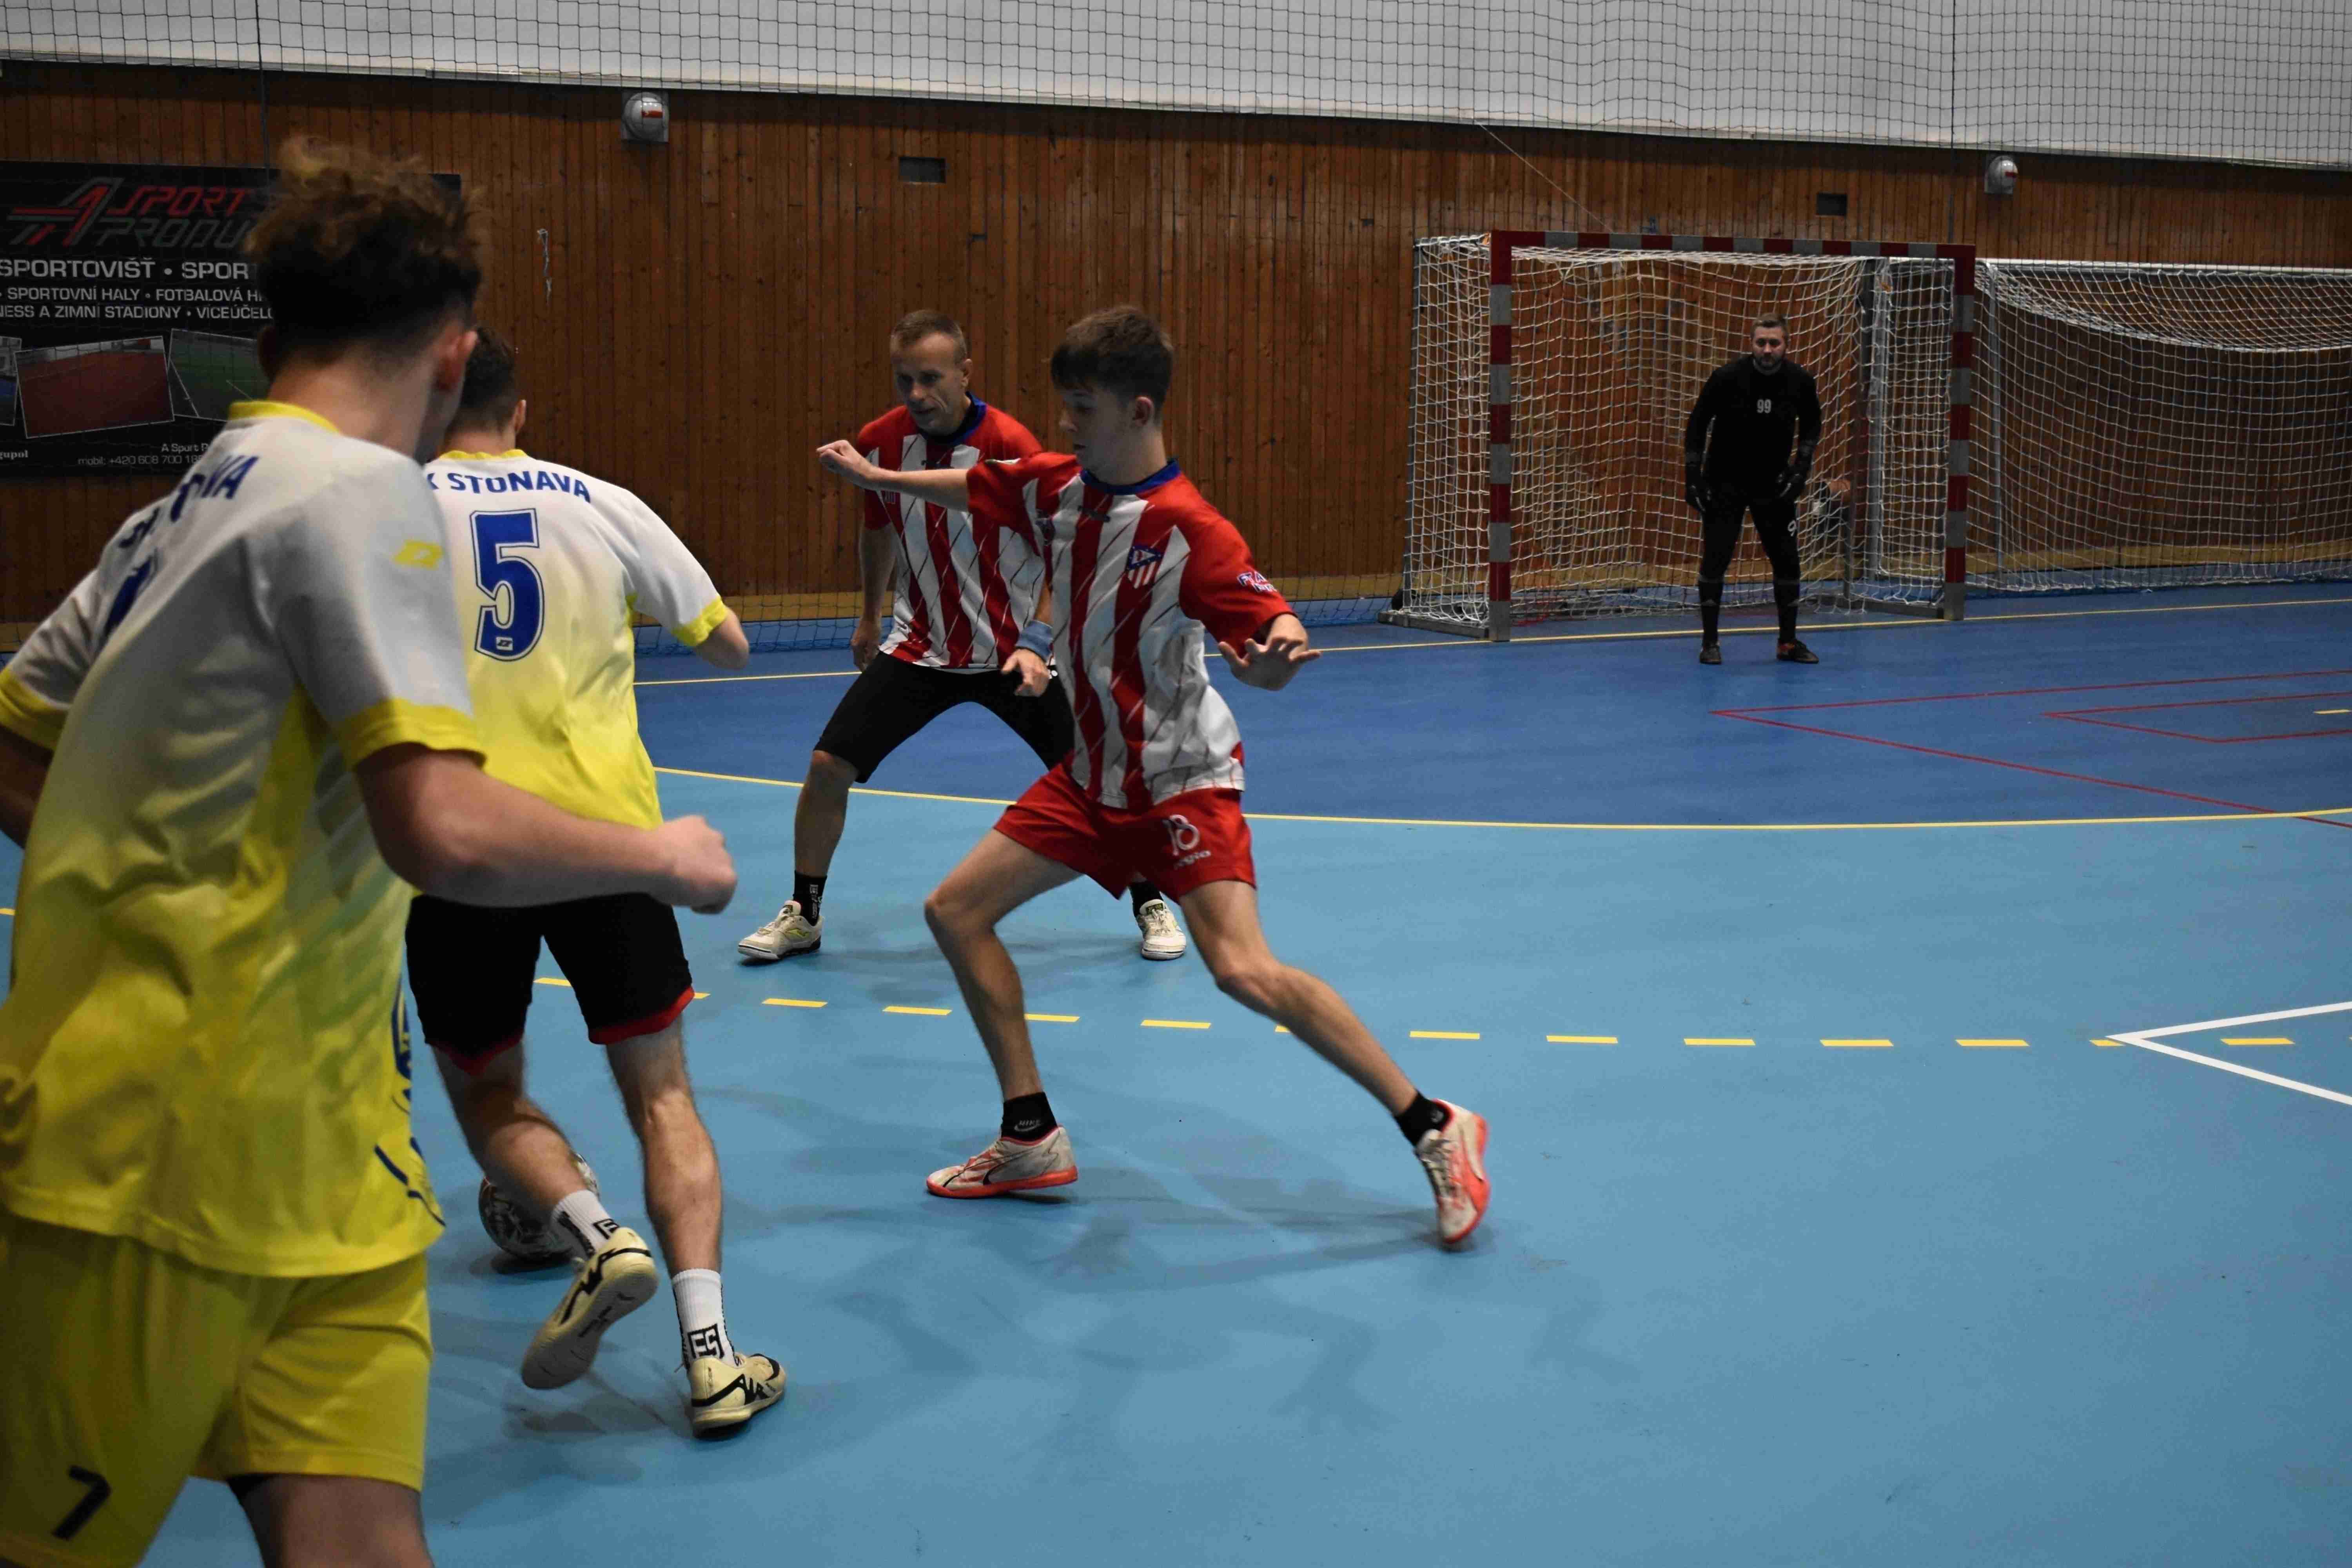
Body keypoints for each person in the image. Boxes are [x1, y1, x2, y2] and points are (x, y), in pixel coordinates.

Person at [0, 140, 735, 1568]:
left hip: (335, 1162)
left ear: (273, 337)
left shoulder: (173, 513)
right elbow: (439, 827)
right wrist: (662, 853)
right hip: (158, 1161)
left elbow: (17, 736)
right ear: (452, 357)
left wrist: (167, 865)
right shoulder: (356, 493)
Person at [814, 306, 1490, 1247]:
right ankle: (1030, 1136)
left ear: (1139, 411)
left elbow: (1268, 624)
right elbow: (975, 486)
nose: (1065, 424)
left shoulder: (1189, 529)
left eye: (1083, 409)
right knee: (956, 911)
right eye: (1063, 405)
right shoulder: (1060, 487)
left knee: (1242, 969)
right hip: (1091, 779)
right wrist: (880, 477)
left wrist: (1275, 661)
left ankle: (1434, 1123)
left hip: (1179, 782)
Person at [413, 330, 784, 1438]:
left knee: (488, 1092)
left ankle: (591, 1231)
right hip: (618, 847)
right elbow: (730, 646)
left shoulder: (392, 510)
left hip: (468, 842)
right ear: (522, 410)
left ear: (436, 401)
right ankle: (711, 1358)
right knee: (664, 1097)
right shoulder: (602, 501)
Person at [737, 310, 1187, 965]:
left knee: (1096, 779)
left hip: (1014, 655)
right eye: (905, 380)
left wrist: (1039, 639)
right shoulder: (880, 443)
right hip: (919, 648)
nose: (917, 394)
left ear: (965, 373)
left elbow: (1062, 553)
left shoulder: (1010, 443)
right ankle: (804, 913)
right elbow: (877, 529)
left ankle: (1150, 900)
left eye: (931, 378)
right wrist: (870, 615)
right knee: (828, 766)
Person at [1683, 312, 1823, 665]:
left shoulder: (1801, 381)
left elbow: (1812, 426)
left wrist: (1800, 471)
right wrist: (1693, 476)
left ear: (1786, 345)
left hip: (1773, 485)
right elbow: (1697, 424)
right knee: (1716, 560)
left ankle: (1787, 643)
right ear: (1752, 344)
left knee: (1787, 562)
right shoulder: (1726, 378)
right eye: (1761, 342)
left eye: (1775, 343)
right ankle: (1710, 643)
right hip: (1725, 482)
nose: (1768, 350)